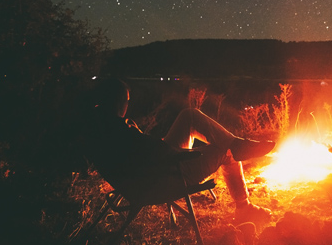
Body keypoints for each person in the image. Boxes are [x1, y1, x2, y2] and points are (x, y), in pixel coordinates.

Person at [86, 78, 275, 224]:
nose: (127, 105)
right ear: (118, 102)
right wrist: (185, 154)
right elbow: (150, 151)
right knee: (226, 151)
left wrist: (162, 147)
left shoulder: (99, 125)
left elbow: (143, 150)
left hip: (150, 171)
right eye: (126, 101)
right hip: (167, 175)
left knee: (189, 115)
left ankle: (236, 143)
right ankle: (244, 207)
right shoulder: (120, 130)